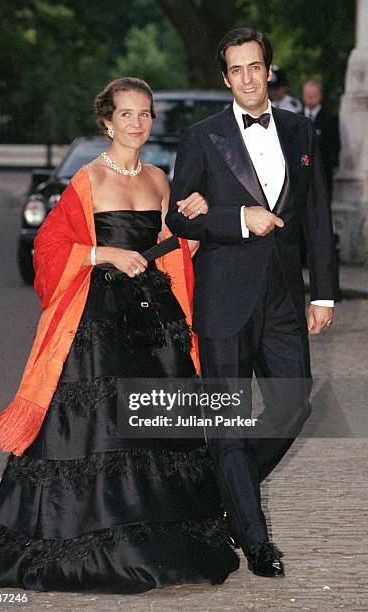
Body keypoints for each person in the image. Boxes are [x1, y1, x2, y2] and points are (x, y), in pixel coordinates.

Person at [0, 78, 239, 592]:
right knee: (101, 429)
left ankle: (158, 547)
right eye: (126, 114)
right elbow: (48, 246)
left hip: (156, 321)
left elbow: (171, 250)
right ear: (106, 121)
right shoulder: (86, 180)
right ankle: (96, 548)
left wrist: (189, 226)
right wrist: (105, 253)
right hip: (96, 322)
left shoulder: (161, 180)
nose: (137, 123)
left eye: (145, 114)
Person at [166, 28, 336, 577]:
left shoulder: (300, 130)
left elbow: (317, 217)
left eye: (254, 68)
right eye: (235, 70)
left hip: (287, 296)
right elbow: (177, 215)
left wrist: (324, 292)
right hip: (222, 296)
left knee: (293, 405)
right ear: (226, 78)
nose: (245, 78)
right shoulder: (201, 136)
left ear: (268, 71)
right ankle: (256, 541)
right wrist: (237, 218)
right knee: (227, 419)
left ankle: (222, 486)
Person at [302, 80, 341, 300]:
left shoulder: (329, 118)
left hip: (322, 180)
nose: (309, 99)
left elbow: (333, 148)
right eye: (306, 95)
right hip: (300, 182)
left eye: (313, 95)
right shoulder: (297, 114)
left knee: (322, 228)